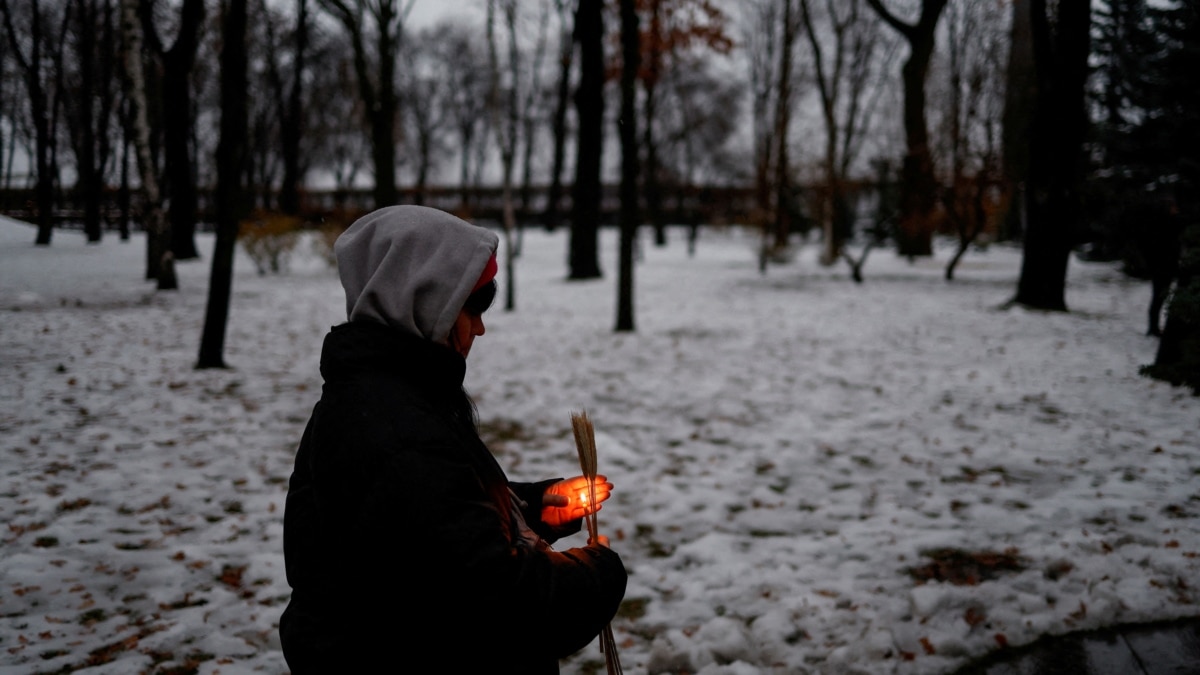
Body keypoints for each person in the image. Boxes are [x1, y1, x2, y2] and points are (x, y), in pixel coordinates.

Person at [279, 205, 627, 673]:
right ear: (423, 298)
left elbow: (430, 530)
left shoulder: (379, 397)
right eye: (474, 304)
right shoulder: (396, 429)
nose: (480, 327)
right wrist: (599, 574)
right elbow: (501, 603)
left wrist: (532, 508)